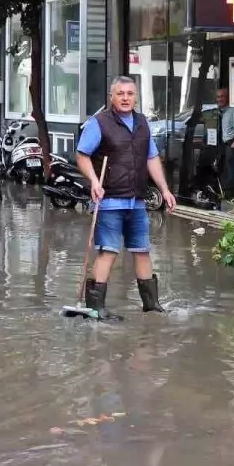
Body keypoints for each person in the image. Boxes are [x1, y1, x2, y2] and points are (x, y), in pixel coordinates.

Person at [76, 76, 177, 318]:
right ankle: (95, 308)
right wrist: (94, 181)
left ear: (135, 97)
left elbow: (151, 158)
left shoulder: (142, 123)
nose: (125, 98)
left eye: (130, 93)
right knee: (108, 251)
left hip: (137, 201)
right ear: (112, 97)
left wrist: (164, 189)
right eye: (120, 93)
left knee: (142, 250)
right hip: (109, 200)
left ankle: (151, 305)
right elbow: (82, 155)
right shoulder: (98, 123)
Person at [217, 88, 234, 208]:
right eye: (218, 97)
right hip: (228, 145)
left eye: (222, 96)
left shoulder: (233, 111)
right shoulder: (224, 112)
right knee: (231, 175)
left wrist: (232, 148)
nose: (219, 99)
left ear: (229, 97)